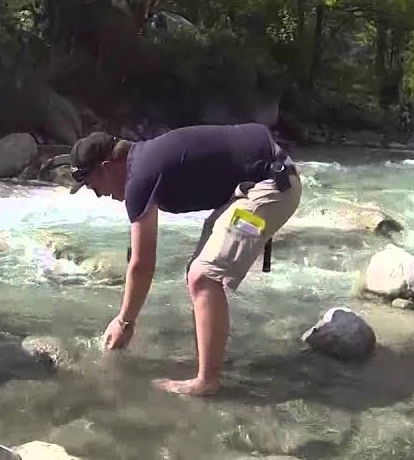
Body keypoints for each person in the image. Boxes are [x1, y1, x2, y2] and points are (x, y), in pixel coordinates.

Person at [67, 122, 302, 397]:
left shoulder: (139, 177)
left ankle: (207, 381)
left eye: (91, 184)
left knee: (203, 277)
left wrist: (124, 322)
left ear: (107, 166)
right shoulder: (142, 163)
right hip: (255, 181)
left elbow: (142, 263)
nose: (96, 193)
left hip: (273, 184)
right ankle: (208, 361)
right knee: (199, 272)